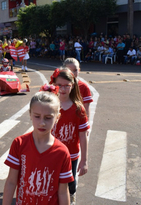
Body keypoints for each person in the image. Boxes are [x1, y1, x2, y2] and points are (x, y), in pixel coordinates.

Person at [3, 91, 73, 205]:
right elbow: (11, 181)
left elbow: (63, 191)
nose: (42, 123)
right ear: (30, 114)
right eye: (37, 116)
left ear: (57, 117)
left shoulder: (62, 152)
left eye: (48, 118)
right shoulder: (19, 144)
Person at [49, 68, 90, 205]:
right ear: (54, 84)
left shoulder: (78, 108)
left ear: (73, 86)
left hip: (71, 155)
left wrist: (84, 160)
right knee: (52, 180)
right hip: (52, 153)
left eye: (67, 85)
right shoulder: (50, 106)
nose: (63, 89)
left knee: (70, 181)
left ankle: (71, 197)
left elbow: (83, 136)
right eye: (59, 85)